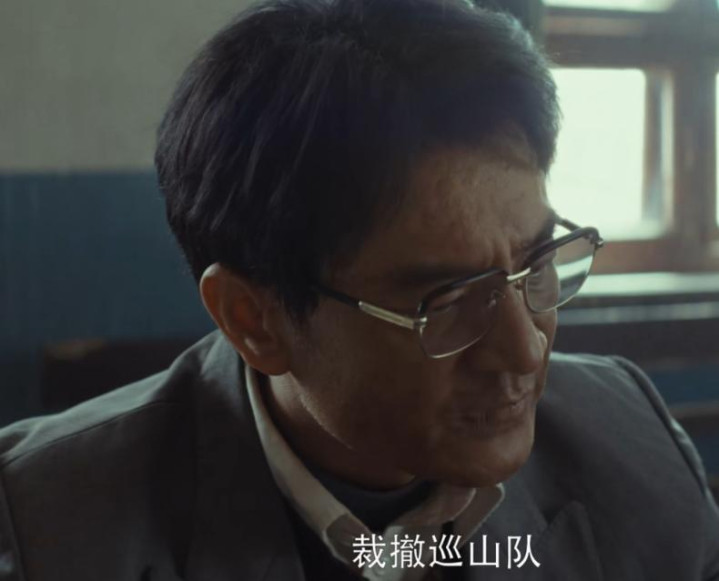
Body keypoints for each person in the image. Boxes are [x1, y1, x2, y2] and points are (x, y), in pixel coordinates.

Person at [1, 0, 717, 579]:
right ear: (254, 320)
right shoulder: (46, 527)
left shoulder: (626, 435)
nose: (525, 351)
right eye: (447, 300)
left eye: (536, 265)